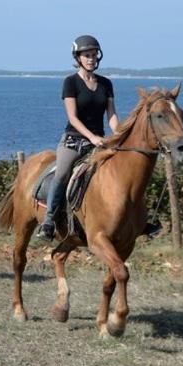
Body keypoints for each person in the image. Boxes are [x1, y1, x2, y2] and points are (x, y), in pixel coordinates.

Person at [37, 35, 119, 241]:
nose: (91, 59)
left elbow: (112, 117)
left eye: (94, 55)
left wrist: (119, 135)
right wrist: (91, 137)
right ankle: (49, 221)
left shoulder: (106, 84)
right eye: (87, 55)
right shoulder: (71, 82)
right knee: (63, 173)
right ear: (78, 58)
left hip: (99, 141)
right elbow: (72, 118)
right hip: (74, 141)